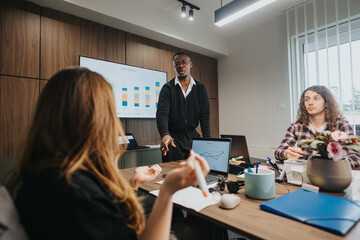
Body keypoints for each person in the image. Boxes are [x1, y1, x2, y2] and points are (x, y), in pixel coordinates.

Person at [5, 67, 209, 240]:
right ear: (94, 120)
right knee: (201, 228)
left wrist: (132, 183)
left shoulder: (42, 177)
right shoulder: (75, 196)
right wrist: (167, 191)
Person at [275, 85, 360, 169]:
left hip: (333, 175)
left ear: (326, 103)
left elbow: (355, 155)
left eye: (316, 98)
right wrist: (285, 153)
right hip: (306, 175)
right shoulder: (296, 127)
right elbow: (279, 151)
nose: (310, 102)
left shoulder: (341, 125)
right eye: (307, 99)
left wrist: (338, 167)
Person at [156, 52, 211, 162]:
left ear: (190, 64)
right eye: (177, 64)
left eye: (184, 63)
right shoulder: (167, 88)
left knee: (196, 175)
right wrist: (165, 134)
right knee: (172, 176)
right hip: (173, 142)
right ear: (174, 66)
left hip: (194, 141)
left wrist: (207, 140)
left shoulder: (200, 88)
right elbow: (162, 114)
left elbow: (205, 116)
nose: (180, 66)